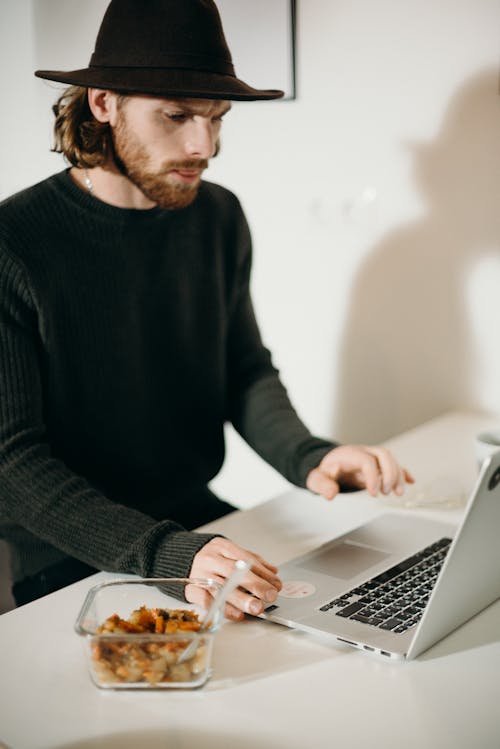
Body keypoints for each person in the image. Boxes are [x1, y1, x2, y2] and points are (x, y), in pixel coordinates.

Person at [0, 0, 413, 617]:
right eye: (178, 115)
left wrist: (311, 455)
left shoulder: (218, 217)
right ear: (102, 103)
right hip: (72, 555)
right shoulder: (15, 241)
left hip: (199, 524)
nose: (205, 144)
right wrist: (165, 552)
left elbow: (242, 369)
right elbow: (12, 460)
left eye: (217, 118)